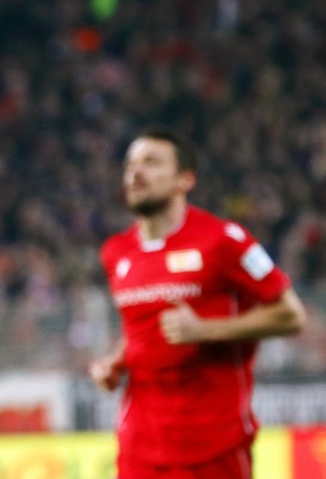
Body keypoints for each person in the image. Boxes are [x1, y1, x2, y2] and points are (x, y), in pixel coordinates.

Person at [88, 128, 306, 479]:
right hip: (139, 448)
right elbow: (139, 326)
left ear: (184, 180)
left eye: (151, 162)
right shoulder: (117, 252)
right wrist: (116, 359)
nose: (135, 173)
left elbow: (291, 316)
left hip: (214, 447)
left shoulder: (224, 240)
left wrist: (205, 330)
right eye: (130, 164)